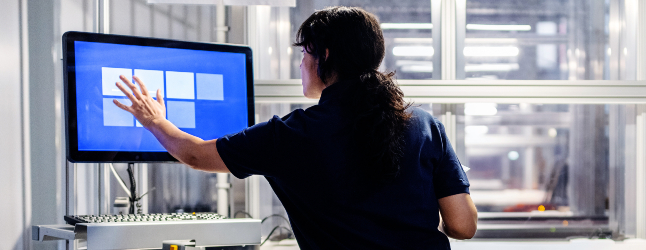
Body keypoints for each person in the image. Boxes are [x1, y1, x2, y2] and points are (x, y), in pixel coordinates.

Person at [110, 6, 477, 249]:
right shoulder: (426, 126)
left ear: (324, 55)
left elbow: (192, 153)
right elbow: (463, 225)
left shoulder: (292, 135)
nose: (301, 64)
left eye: (304, 53)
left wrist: (154, 120)